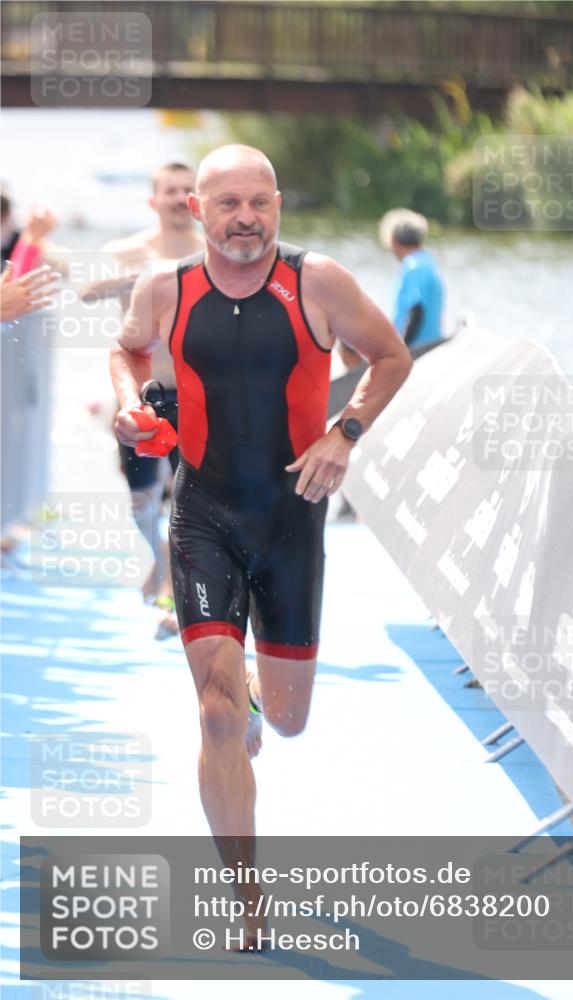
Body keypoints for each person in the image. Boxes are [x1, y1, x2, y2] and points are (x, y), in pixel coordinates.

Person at [109, 144, 412, 944]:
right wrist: (127, 404)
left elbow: (390, 357)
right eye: (227, 205)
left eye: (258, 203)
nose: (244, 219)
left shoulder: (319, 282)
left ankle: (253, 690)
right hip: (202, 513)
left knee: (285, 722)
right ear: (197, 211)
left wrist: (344, 434)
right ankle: (246, 896)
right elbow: (128, 348)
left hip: (291, 519)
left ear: (277, 203)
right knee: (212, 719)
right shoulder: (164, 289)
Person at [85, 163, 205, 638]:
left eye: (186, 191)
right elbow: (88, 293)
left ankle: (182, 597)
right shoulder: (127, 252)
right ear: (153, 200)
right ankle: (159, 560)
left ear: (196, 201)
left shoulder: (211, 255)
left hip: (196, 395)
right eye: (169, 190)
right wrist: (143, 279)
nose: (178, 198)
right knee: (141, 501)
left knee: (194, 504)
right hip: (141, 396)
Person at [381, 207, 445, 348]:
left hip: (419, 349)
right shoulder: (428, 261)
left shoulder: (413, 267)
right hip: (432, 346)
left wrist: (401, 348)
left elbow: (416, 310)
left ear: (394, 241)